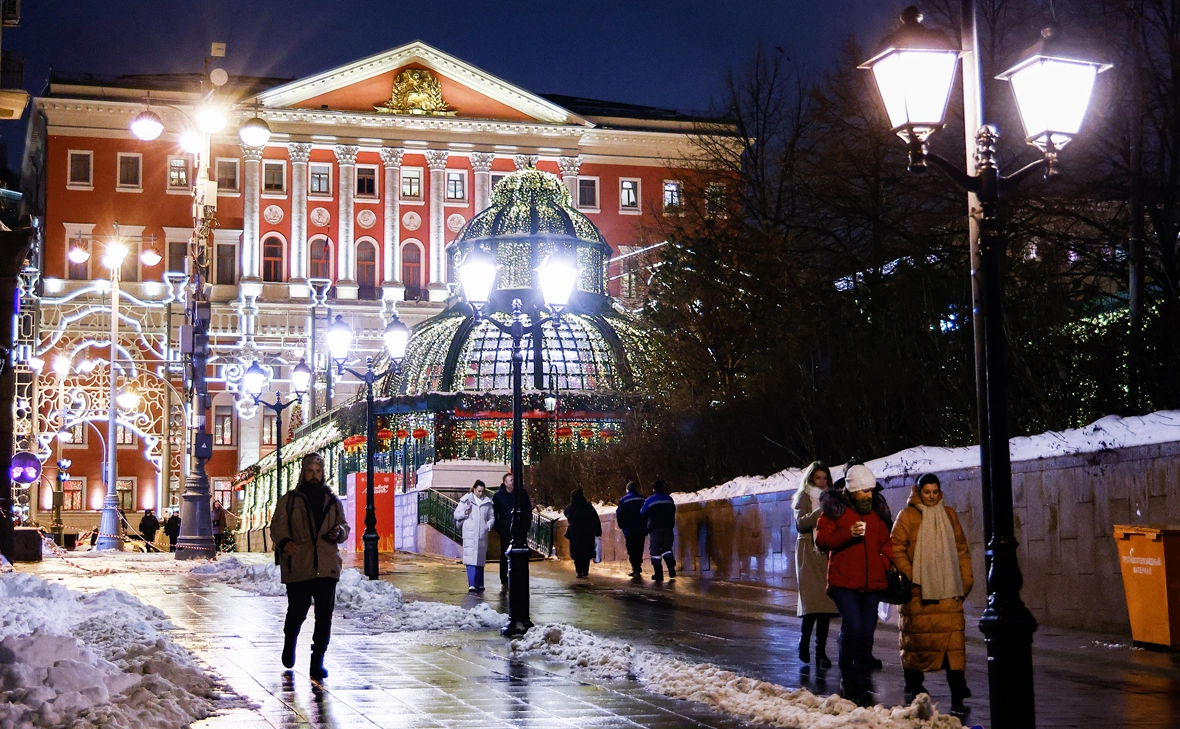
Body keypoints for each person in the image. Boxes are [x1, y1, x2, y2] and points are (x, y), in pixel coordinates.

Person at [890, 473, 974, 708]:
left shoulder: (948, 514)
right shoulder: (907, 516)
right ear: (918, 491)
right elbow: (896, 547)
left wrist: (965, 580)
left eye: (935, 492)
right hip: (920, 592)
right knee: (917, 641)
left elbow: (961, 548)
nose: (931, 496)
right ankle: (914, 683)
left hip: (949, 588)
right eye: (926, 492)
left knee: (954, 642)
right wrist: (912, 574)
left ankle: (958, 686)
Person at [815, 463, 894, 704]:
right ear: (852, 491)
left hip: (873, 583)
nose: (870, 495)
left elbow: (886, 542)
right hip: (844, 582)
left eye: (871, 490)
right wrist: (848, 533)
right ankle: (848, 677)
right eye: (864, 491)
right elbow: (822, 540)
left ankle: (860, 678)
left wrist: (885, 561)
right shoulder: (834, 512)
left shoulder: (877, 512)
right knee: (854, 626)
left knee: (866, 632)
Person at [270, 452, 351, 680]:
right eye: (309, 471)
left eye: (317, 471)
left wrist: (340, 532)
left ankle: (318, 661)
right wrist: (285, 542)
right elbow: (278, 526)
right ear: (303, 473)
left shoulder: (332, 501)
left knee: (324, 615)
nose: (314, 475)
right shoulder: (290, 500)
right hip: (300, 565)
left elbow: (344, 526)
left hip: (326, 565)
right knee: (297, 610)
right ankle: (290, 641)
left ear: (322, 473)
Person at [792, 462, 838, 668]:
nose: (822, 482)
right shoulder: (804, 496)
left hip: (826, 551)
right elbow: (801, 523)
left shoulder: (832, 497)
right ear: (811, 479)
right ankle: (804, 643)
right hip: (808, 551)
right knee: (812, 603)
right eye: (818, 478)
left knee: (825, 606)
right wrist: (821, 510)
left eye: (824, 478)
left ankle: (821, 651)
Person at [454, 480, 496, 592]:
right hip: (469, 532)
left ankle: (479, 583)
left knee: (480, 558)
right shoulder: (466, 500)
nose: (480, 493)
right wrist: (465, 513)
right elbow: (456, 514)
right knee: (470, 558)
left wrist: (488, 525)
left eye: (482, 491)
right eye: (478, 491)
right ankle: (472, 583)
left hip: (482, 533)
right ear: (473, 489)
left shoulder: (487, 502)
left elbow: (491, 516)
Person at [492, 472, 531, 589]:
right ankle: (504, 578)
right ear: (505, 483)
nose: (513, 482)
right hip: (505, 529)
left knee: (522, 554)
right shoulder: (499, 496)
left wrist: (525, 526)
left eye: (514, 480)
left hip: (520, 529)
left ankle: (520, 576)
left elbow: (528, 511)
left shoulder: (521, 494)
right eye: (511, 480)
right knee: (505, 553)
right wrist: (500, 528)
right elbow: (494, 513)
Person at [640, 479, 677, 582]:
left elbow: (642, 513)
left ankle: (658, 574)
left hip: (655, 527)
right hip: (668, 527)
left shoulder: (650, 500)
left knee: (655, 551)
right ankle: (671, 567)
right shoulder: (669, 499)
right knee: (667, 548)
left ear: (653, 489)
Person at [564, 489, 602, 578]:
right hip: (588, 533)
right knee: (586, 552)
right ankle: (585, 570)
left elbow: (566, 513)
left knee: (576, 553)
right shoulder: (588, 507)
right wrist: (598, 532)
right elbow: (595, 520)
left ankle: (579, 571)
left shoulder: (571, 508)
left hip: (575, 534)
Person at [616, 481, 647, 577]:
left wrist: (621, 525)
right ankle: (638, 565)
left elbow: (619, 514)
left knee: (631, 548)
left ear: (627, 489)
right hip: (641, 528)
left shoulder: (623, 500)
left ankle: (635, 567)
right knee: (639, 547)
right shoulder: (643, 498)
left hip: (629, 529)